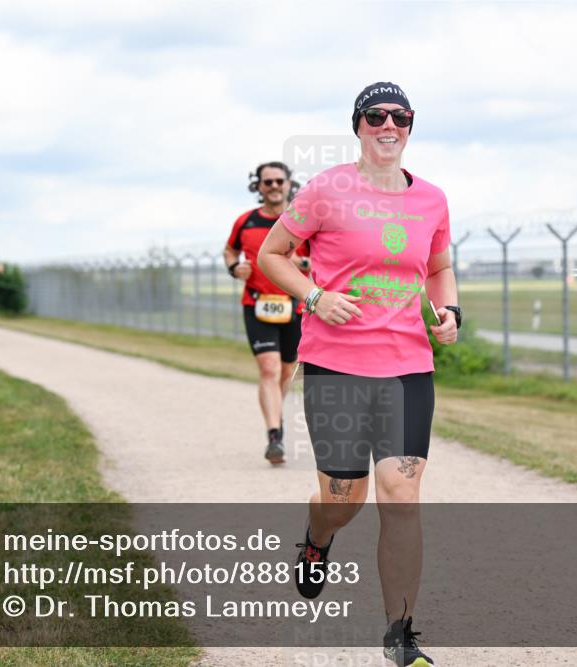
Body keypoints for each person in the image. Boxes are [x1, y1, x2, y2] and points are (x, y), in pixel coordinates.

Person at [259, 82, 459, 667]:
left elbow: (439, 267)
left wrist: (447, 311)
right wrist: (315, 296)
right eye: (376, 116)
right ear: (358, 125)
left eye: (400, 116)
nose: (388, 124)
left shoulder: (433, 200)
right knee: (344, 497)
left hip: (407, 368)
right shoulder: (326, 190)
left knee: (401, 496)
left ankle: (401, 634)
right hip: (335, 366)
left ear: (411, 125)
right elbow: (274, 255)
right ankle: (318, 539)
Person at [224, 162, 310, 464]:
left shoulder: (303, 221)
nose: (273, 186)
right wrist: (236, 268)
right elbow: (230, 250)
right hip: (257, 304)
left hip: (296, 307)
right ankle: (275, 435)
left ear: (289, 184)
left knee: (287, 371)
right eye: (267, 182)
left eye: (279, 181)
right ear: (258, 186)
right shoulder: (245, 222)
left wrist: (305, 266)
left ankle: (277, 416)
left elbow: (322, 257)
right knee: (270, 369)